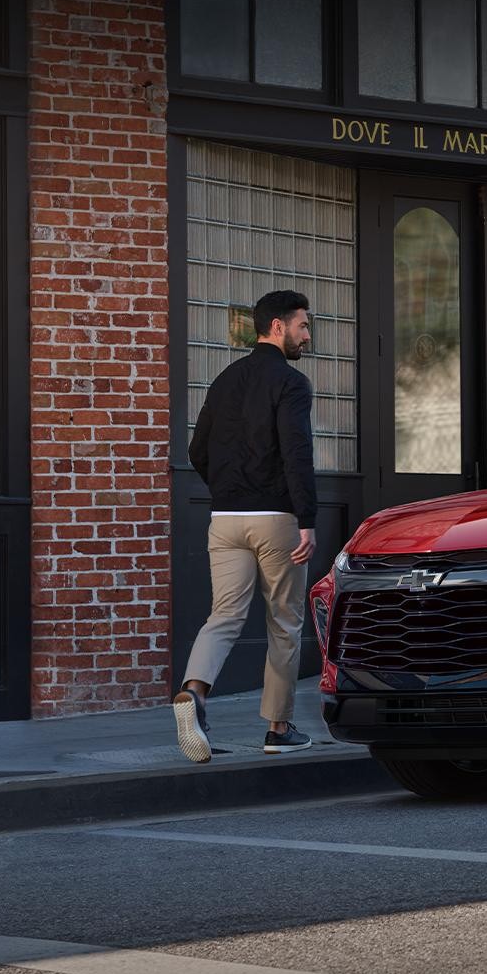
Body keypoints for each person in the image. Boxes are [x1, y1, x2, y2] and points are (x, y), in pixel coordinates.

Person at [173, 290, 318, 763]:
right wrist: (307, 519)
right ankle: (278, 728)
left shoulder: (225, 379)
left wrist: (227, 488)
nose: (307, 335)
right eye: (302, 325)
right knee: (285, 622)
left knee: (224, 615)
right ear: (277, 327)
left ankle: (193, 692)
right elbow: (296, 453)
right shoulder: (291, 383)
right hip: (275, 519)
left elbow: (198, 451)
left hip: (225, 519)